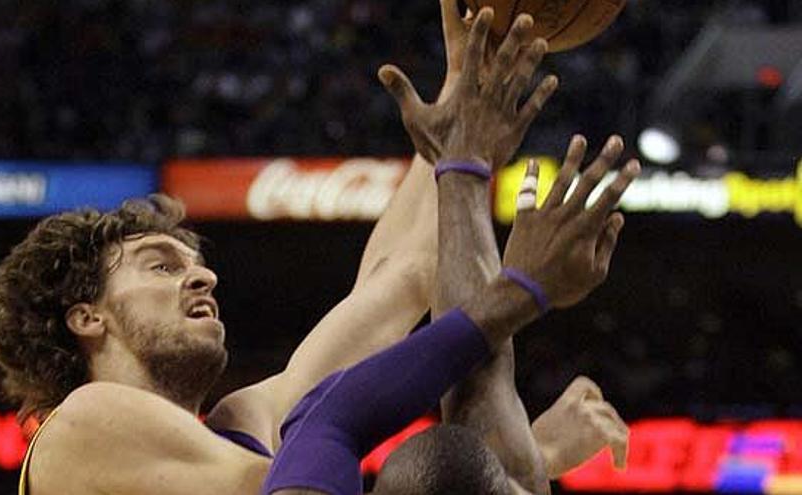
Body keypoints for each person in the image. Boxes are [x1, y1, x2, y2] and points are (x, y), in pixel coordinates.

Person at [262, 6, 640, 494]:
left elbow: (400, 282)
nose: (200, 277)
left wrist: (463, 136)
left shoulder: (242, 426)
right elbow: (328, 414)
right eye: (160, 264)